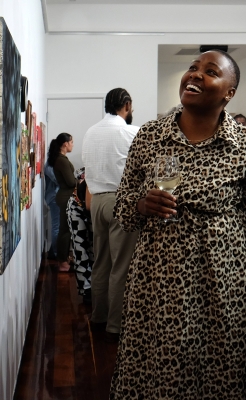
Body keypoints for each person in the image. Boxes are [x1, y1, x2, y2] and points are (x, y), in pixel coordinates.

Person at [110, 50, 246, 399]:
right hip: (158, 282)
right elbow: (122, 211)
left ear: (229, 92)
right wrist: (142, 203)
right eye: (192, 68)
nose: (195, 75)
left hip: (227, 285)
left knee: (221, 374)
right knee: (159, 372)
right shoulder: (150, 136)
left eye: (210, 72)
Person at [82, 87, 139, 343]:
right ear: (126, 105)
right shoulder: (130, 131)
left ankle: (98, 315)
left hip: (97, 202)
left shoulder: (90, 132)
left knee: (101, 261)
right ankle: (115, 325)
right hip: (121, 200)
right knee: (122, 265)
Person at [48, 133, 77, 272]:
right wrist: (80, 181)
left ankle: (64, 259)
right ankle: (62, 262)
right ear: (65, 144)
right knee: (64, 231)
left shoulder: (61, 159)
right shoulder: (61, 160)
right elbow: (71, 181)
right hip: (65, 197)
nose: (72, 144)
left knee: (65, 230)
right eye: (71, 142)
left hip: (64, 196)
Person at [67, 168, 93, 304]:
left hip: (91, 207)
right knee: (80, 249)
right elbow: (89, 205)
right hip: (77, 207)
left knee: (94, 249)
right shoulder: (92, 173)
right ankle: (86, 290)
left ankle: (94, 288)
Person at [44, 160, 60, 259]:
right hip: (54, 197)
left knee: (58, 226)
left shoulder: (53, 163)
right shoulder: (50, 164)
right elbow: (58, 180)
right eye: (70, 142)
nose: (71, 144)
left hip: (55, 196)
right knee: (56, 226)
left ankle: (54, 251)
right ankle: (55, 253)